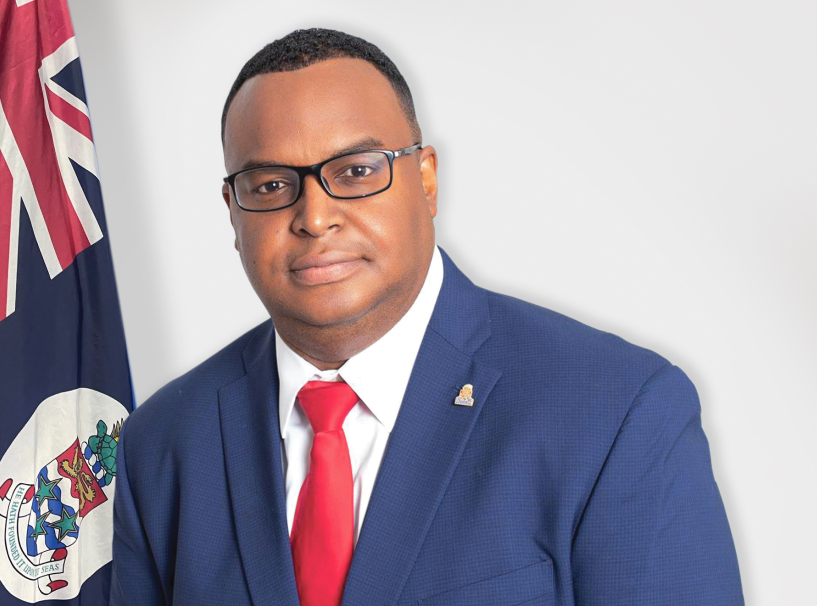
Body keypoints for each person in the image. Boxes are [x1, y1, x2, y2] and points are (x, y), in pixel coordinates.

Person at [110, 28, 743, 606]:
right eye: (272, 185)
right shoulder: (163, 443)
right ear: (233, 210)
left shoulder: (616, 412)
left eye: (355, 172)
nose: (315, 217)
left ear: (427, 179)